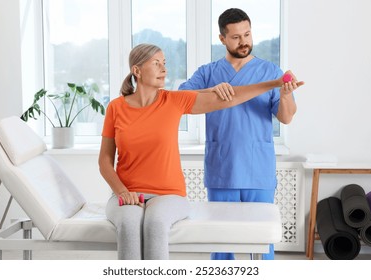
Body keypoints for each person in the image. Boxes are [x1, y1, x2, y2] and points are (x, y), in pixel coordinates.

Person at [98, 43, 302, 260]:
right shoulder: (115, 107)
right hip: (127, 192)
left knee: (155, 223)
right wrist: (122, 192)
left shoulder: (173, 101)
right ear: (136, 71)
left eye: (164, 63)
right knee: (129, 224)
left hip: (168, 195)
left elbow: (231, 97)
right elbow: (105, 160)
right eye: (156, 64)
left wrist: (276, 83)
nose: (164, 70)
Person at [178, 8, 298, 260]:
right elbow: (181, 100)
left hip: (258, 168)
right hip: (223, 167)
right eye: (236, 37)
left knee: (263, 240)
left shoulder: (270, 72)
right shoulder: (208, 73)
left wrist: (285, 95)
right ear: (222, 39)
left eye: (247, 34)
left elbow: (286, 117)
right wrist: (212, 90)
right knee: (221, 241)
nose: (244, 42)